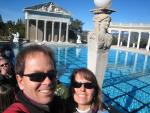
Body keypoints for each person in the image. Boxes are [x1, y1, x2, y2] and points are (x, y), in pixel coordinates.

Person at [3, 44, 65, 113]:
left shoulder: (60, 104)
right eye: (37, 76)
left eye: (51, 74)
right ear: (20, 81)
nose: (48, 82)